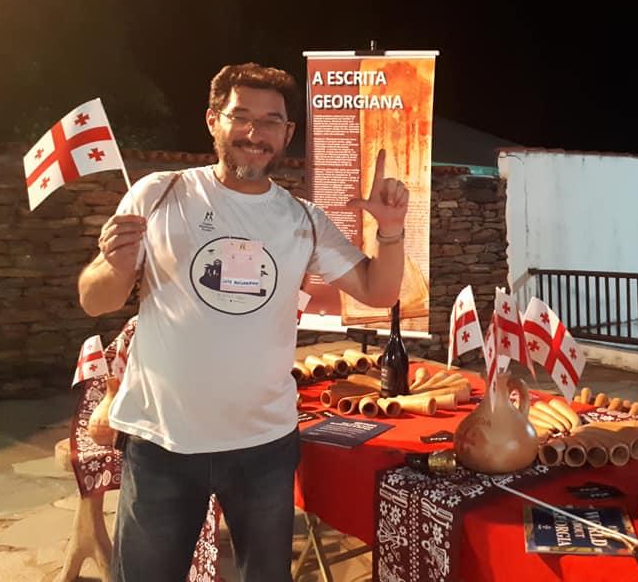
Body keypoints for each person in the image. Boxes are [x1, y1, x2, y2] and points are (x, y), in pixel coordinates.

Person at [77, 62, 407, 582]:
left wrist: (390, 232)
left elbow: (379, 291)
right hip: (163, 440)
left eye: (271, 121)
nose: (256, 133)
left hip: (263, 445)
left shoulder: (304, 219)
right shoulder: (159, 194)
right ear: (213, 120)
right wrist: (115, 266)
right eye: (241, 116)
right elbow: (95, 300)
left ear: (287, 133)